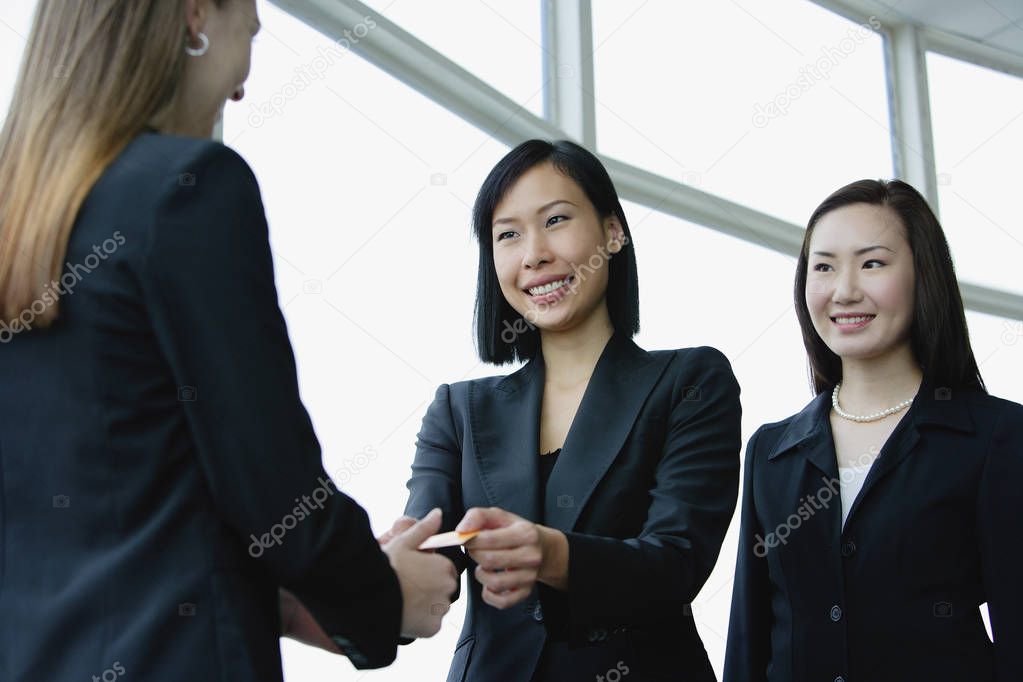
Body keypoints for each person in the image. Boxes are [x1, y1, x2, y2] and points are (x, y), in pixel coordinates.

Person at [0, 2, 456, 680]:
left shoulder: (21, 225)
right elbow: (276, 492)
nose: (239, 84)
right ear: (194, 17)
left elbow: (108, 509)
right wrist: (384, 598)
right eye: (248, 27)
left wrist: (281, 603)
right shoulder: (187, 188)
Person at [386, 139, 743, 681]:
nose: (533, 254)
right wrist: (389, 572)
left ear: (612, 232)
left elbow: (675, 563)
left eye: (555, 220)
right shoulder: (459, 410)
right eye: (508, 234)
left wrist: (552, 555)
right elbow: (432, 550)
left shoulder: (690, 381)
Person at [723, 179, 1023, 681]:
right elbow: (749, 641)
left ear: (922, 275)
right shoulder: (771, 450)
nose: (844, 290)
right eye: (824, 267)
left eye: (872, 263)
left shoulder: (996, 436)